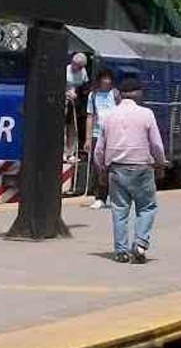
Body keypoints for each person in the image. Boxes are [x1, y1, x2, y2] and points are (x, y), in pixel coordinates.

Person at [94, 77, 168, 265]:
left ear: (118, 94)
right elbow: (156, 144)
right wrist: (160, 163)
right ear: (139, 94)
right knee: (146, 207)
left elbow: (99, 149)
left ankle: (120, 251)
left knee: (119, 210)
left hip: (117, 169)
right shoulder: (146, 114)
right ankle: (140, 244)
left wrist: (102, 169)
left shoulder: (108, 115)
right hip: (142, 169)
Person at [85, 69, 120, 209]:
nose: (107, 81)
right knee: (98, 167)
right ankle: (99, 197)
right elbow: (90, 116)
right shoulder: (93, 96)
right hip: (97, 134)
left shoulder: (116, 94)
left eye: (109, 78)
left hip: (113, 135)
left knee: (114, 166)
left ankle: (115, 196)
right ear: (99, 80)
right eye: (104, 78)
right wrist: (88, 138)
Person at [64, 53, 90, 159]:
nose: (76, 67)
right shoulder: (65, 70)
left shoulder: (83, 72)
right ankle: (63, 152)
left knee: (73, 128)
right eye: (74, 64)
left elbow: (85, 86)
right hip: (64, 100)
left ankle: (71, 152)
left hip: (75, 102)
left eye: (79, 66)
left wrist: (79, 93)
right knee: (63, 128)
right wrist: (66, 93)